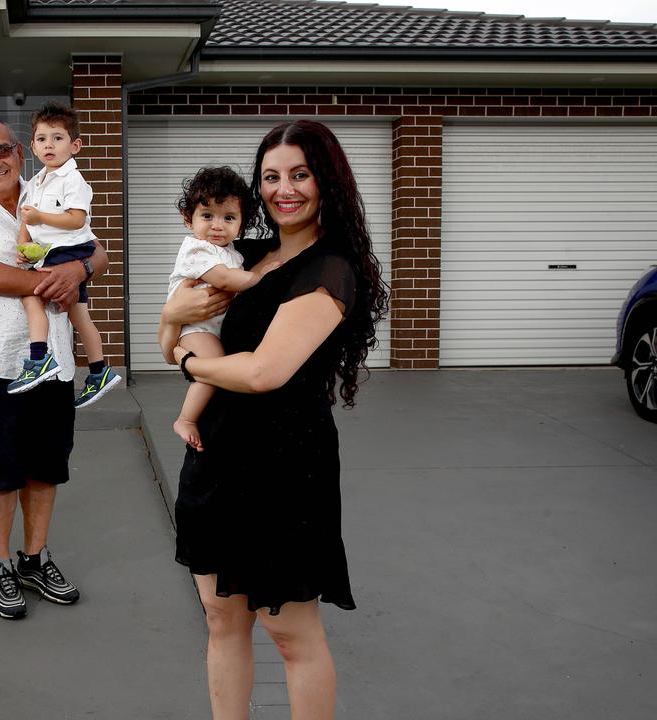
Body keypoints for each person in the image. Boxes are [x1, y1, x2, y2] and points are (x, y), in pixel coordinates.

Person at [158, 120, 387, 719]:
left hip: (284, 466)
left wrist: (181, 354)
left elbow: (263, 373)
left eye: (300, 174)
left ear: (326, 181)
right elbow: (176, 328)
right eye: (271, 177)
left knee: (292, 636)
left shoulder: (329, 269)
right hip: (215, 452)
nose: (285, 189)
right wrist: (169, 325)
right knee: (220, 618)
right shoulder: (246, 253)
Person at [0, 119, 110, 620]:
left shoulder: (48, 188)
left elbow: (96, 250)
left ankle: (34, 559)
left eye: (2, 151)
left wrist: (77, 270)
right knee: (0, 470)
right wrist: (48, 280)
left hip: (54, 362)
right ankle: (0, 565)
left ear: (19, 152)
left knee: (46, 465)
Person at [8, 102, 120, 408]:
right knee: (79, 313)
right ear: (32, 146)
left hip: (70, 250)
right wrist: (23, 249)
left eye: (57, 138)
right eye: (42, 139)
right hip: (51, 252)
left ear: (75, 145)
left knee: (32, 296)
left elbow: (76, 220)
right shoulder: (35, 183)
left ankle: (39, 358)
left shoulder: (73, 180)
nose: (49, 145)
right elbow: (26, 222)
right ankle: (99, 370)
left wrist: (41, 218)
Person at [164, 166, 275, 452]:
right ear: (188, 219)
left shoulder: (234, 252)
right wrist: (260, 276)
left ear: (242, 224)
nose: (217, 225)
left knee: (216, 364)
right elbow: (224, 279)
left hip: (206, 325)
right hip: (195, 327)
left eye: (228, 217)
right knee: (214, 364)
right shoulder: (196, 248)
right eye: (207, 215)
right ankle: (186, 419)